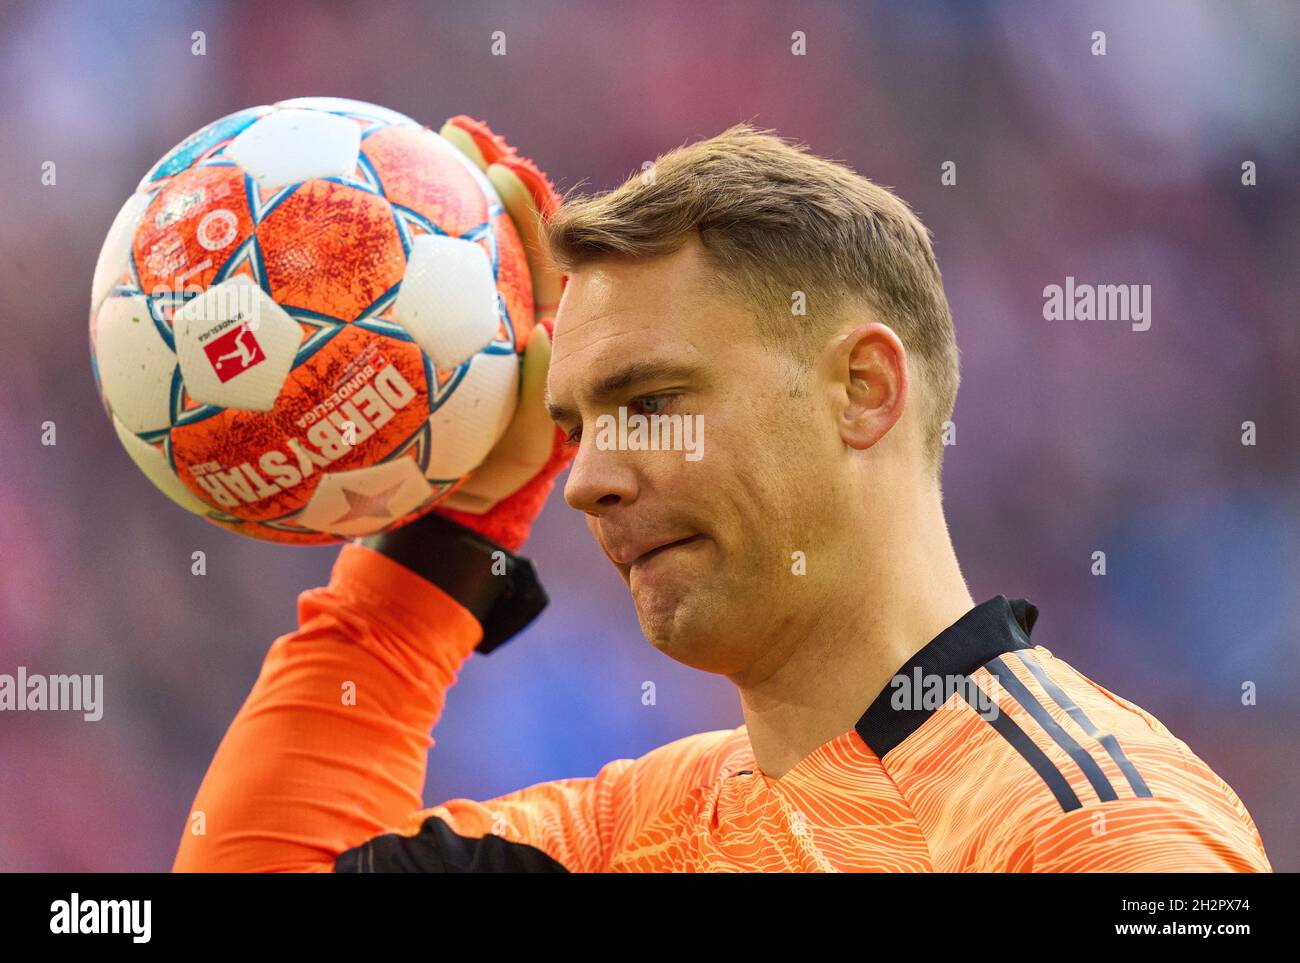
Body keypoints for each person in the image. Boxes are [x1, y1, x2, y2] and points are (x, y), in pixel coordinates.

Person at [175, 118, 1271, 872]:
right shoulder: (635, 827)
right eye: (573, 429)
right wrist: (449, 538)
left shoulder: (1100, 833)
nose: (587, 482)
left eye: (650, 402)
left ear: (862, 389)